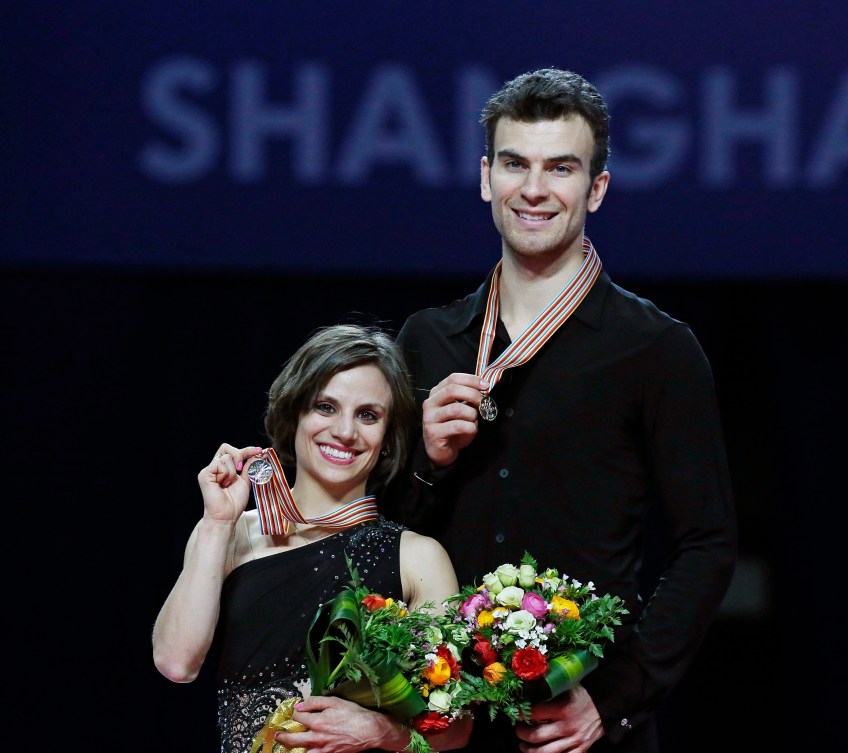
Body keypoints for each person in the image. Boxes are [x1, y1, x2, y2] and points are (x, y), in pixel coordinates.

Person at [384, 68, 738, 752]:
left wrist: (612, 701)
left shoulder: (654, 348)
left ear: (596, 188)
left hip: (577, 731)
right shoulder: (429, 339)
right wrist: (423, 462)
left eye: (561, 167)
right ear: (487, 178)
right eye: (516, 163)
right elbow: (380, 544)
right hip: (441, 720)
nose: (535, 189)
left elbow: (708, 544)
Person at [153, 324, 472, 753]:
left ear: (389, 437)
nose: (345, 431)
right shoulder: (231, 532)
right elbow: (176, 663)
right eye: (326, 407)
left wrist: (380, 732)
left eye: (368, 415)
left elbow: (454, 731)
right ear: (294, 413)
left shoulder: (418, 557)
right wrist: (215, 523)